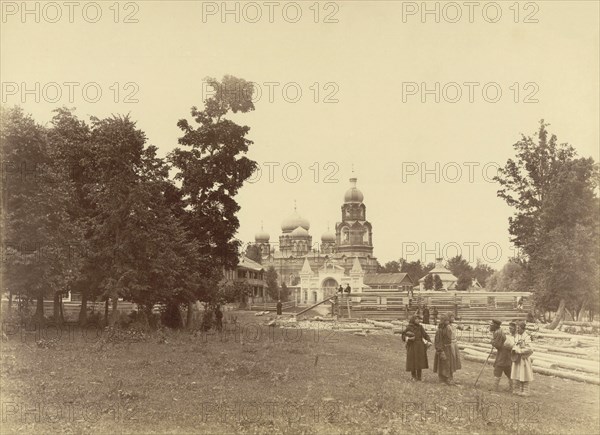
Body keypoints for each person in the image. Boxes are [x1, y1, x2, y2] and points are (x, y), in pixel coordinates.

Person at [401, 315, 432, 381]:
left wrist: (429, 341)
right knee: (412, 361)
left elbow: (425, 335)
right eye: (417, 319)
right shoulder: (409, 327)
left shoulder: (420, 327)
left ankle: (419, 377)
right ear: (413, 320)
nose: (418, 320)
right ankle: (413, 376)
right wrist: (408, 338)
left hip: (420, 346)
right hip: (412, 346)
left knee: (419, 361)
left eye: (419, 319)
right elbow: (403, 335)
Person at [490, 319, 513, 392]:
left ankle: (495, 387)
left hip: (503, 354)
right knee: (507, 369)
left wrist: (492, 342)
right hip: (504, 353)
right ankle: (512, 387)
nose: (490, 326)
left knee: (499, 368)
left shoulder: (498, 332)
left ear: (496, 325)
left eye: (491, 324)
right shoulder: (498, 331)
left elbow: (498, 345)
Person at [511, 321, 534, 396]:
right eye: (517, 328)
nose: (517, 330)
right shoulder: (517, 336)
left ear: (523, 329)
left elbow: (530, 349)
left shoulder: (527, 337)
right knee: (517, 373)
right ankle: (517, 390)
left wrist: (520, 351)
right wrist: (514, 349)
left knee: (524, 374)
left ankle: (526, 391)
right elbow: (514, 344)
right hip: (517, 358)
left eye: (519, 328)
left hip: (523, 359)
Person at [433, 314, 456, 385]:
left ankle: (448, 378)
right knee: (442, 364)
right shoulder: (439, 331)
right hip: (442, 349)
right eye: (446, 321)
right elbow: (438, 341)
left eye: (448, 320)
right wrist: (440, 351)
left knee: (449, 364)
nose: (448, 322)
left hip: (448, 348)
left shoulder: (448, 328)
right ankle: (441, 379)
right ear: (443, 321)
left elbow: (450, 337)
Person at [446, 312, 462, 379]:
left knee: (455, 358)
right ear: (448, 318)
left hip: (454, 343)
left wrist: (460, 326)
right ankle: (448, 375)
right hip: (450, 344)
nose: (453, 318)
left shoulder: (453, 325)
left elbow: (460, 327)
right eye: (452, 317)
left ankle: (451, 374)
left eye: (453, 317)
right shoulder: (447, 326)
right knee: (450, 358)